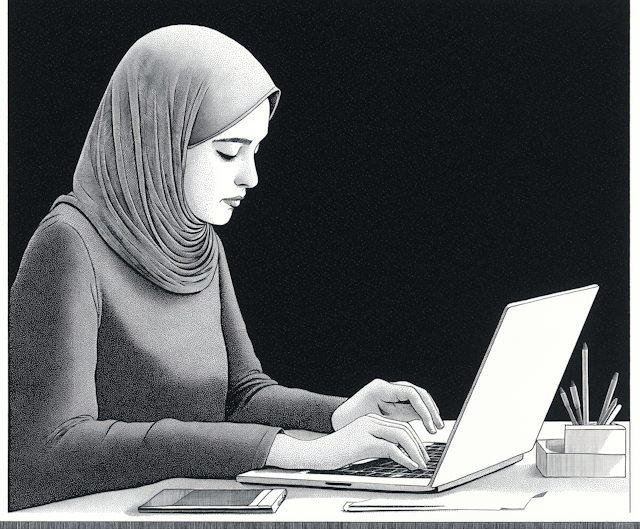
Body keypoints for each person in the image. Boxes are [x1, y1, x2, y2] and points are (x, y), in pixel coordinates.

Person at [9, 25, 444, 512]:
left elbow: (239, 396)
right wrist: (291, 452)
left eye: (255, 150)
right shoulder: (66, 244)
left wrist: (339, 415)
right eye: (228, 151)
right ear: (159, 139)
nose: (250, 176)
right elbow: (48, 451)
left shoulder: (201, 245)